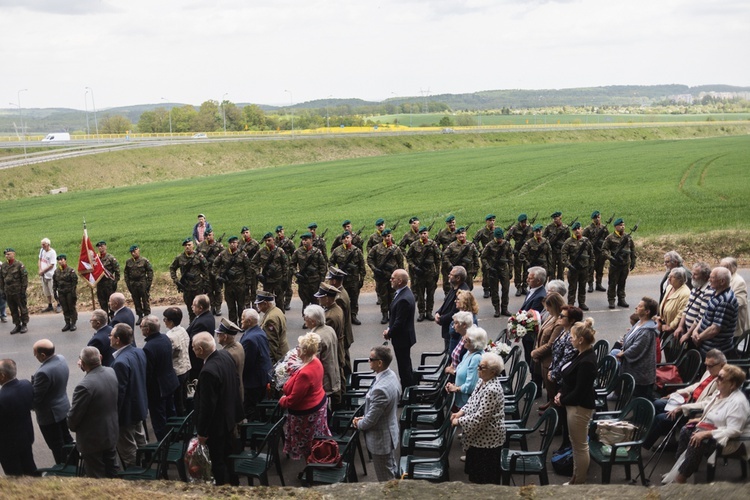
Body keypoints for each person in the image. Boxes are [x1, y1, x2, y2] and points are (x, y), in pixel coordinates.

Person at [668, 364, 750, 484]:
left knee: (698, 441)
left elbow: (734, 430)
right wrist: (699, 418)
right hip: (717, 429)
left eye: (721, 378)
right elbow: (710, 408)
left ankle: (681, 478)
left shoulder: (738, 403)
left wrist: (706, 433)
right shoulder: (720, 392)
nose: (716, 379)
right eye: (718, 376)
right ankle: (679, 469)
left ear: (732, 384)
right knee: (686, 431)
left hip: (734, 440)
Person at [643, 349, 726, 450]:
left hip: (697, 412)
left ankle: (642, 446)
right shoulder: (711, 371)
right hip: (689, 401)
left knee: (662, 418)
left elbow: (708, 404)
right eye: (706, 365)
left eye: (710, 366)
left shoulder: (724, 381)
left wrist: (682, 408)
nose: (707, 369)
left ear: (722, 365)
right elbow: (698, 385)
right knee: (657, 403)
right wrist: (678, 393)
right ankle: (669, 438)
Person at [192, 332, 244, 486]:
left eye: (194, 348)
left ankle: (222, 488)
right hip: (229, 418)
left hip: (216, 426)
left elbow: (207, 406)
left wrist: (202, 432)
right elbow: (234, 382)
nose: (193, 350)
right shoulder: (225, 355)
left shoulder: (208, 371)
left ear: (200, 350)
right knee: (228, 456)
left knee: (217, 461)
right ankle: (234, 484)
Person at [451, 352, 506, 485]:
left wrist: (458, 421)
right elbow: (472, 400)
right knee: (476, 477)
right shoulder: (482, 381)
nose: (478, 369)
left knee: (485, 479)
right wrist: (461, 412)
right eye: (479, 366)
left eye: (482, 367)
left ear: (493, 372)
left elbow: (480, 418)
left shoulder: (492, 390)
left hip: (487, 441)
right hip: (478, 437)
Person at [554, 318, 598, 485]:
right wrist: (560, 393)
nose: (570, 339)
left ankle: (579, 481)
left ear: (580, 339)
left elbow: (580, 391)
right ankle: (575, 477)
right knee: (576, 444)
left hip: (579, 408)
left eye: (572, 336)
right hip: (571, 404)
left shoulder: (587, 361)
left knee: (579, 447)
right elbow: (569, 380)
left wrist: (562, 399)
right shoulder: (580, 353)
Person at [67, 347, 119, 478]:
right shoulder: (110, 371)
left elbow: (73, 419)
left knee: (96, 475)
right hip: (111, 431)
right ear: (100, 358)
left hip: (92, 440)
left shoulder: (84, 386)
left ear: (83, 364)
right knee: (112, 470)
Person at [278, 332, 331, 461]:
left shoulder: (304, 374)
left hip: (306, 414)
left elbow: (293, 401)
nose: (297, 350)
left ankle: (311, 466)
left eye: (299, 348)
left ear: (305, 351)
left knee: (306, 444)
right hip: (319, 404)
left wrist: (282, 401)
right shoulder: (316, 361)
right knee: (314, 440)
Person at [353, 345, 401, 481]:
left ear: (379, 363)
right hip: (389, 432)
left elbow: (370, 421)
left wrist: (359, 423)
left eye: (371, 359)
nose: (368, 361)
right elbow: (379, 411)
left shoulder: (380, 390)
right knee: (391, 469)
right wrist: (365, 417)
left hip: (381, 440)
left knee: (385, 479)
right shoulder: (391, 375)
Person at [110, 324, 149, 469]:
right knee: (140, 438)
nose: (110, 338)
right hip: (139, 405)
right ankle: (145, 463)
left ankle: (134, 472)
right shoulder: (139, 352)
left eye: (111, 335)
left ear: (118, 340)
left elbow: (119, 393)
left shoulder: (120, 362)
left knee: (128, 448)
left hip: (126, 413)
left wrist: (115, 416)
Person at [31, 339, 73, 464]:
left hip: (50, 415)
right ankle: (74, 464)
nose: (35, 357)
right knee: (67, 439)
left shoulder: (43, 373)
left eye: (36, 354)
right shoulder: (61, 359)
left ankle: (63, 469)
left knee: (56, 445)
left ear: (43, 355)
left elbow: (36, 398)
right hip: (63, 407)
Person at [548, 305, 584, 450]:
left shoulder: (571, 336)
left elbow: (567, 358)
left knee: (565, 413)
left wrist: (555, 373)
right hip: (557, 374)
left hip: (565, 379)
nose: (559, 318)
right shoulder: (564, 332)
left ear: (572, 320)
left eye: (563, 316)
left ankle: (567, 446)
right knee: (560, 411)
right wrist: (551, 368)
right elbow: (556, 354)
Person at [140, 315, 179, 441]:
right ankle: (175, 438)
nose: (140, 329)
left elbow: (149, 373)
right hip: (170, 382)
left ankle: (164, 446)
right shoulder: (165, 338)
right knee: (171, 413)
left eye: (141, 326)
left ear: (147, 330)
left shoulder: (149, 347)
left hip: (158, 389)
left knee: (159, 420)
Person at [616, 297, 658, 399]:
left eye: (640, 306)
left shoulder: (647, 331)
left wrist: (624, 353)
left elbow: (638, 347)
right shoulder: (639, 323)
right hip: (634, 370)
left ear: (647, 311)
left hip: (641, 373)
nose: (636, 307)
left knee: (639, 398)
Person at [0, 358, 37, 476]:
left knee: (15, 476)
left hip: (7, 446)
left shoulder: (2, 397)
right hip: (26, 437)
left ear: (2, 376)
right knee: (30, 468)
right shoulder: (27, 385)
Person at [691, 266, 738, 357]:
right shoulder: (715, 292)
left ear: (722, 281)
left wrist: (698, 338)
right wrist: (695, 331)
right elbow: (706, 315)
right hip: (706, 347)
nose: (709, 280)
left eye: (712, 278)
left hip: (716, 351)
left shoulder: (725, 301)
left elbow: (714, 329)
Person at [530, 292, 566, 411]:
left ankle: (553, 408)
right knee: (549, 387)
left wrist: (536, 353)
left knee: (552, 387)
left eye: (548, 307)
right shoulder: (551, 317)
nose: (546, 309)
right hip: (543, 358)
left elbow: (551, 344)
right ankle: (550, 401)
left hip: (549, 359)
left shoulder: (559, 323)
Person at [382, 269, 417, 389]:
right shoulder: (403, 293)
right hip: (403, 338)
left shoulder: (403, 299)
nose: (390, 280)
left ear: (400, 281)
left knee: (404, 368)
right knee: (405, 365)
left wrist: (389, 333)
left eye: (393, 278)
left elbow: (399, 322)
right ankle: (409, 390)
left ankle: (408, 392)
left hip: (402, 339)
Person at [239, 308, 272, 420]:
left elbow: (247, 363)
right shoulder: (259, 332)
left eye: (243, 319)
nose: (240, 321)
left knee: (250, 407)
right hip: (262, 377)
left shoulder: (250, 339)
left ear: (249, 322)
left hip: (253, 381)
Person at [304, 304, 341, 402]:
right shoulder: (329, 329)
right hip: (333, 374)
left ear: (313, 321)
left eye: (306, 319)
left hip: (324, 379)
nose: (304, 321)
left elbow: (312, 361)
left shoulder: (315, 337)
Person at [212, 235, 253, 325]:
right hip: (229, 285)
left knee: (241, 307)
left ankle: (242, 323)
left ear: (237, 243)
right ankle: (233, 324)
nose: (233, 245)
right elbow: (214, 265)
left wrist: (248, 282)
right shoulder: (223, 254)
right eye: (231, 243)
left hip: (240, 284)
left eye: (235, 243)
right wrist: (217, 276)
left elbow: (248, 269)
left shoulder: (242, 254)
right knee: (231, 307)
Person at [368, 228, 405, 324]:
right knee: (383, 296)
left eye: (389, 236)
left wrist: (401, 275)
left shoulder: (396, 249)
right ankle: (385, 314)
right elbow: (369, 258)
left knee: (393, 296)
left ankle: (393, 314)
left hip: (393, 277)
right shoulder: (376, 248)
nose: (387, 238)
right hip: (381, 277)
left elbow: (400, 262)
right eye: (385, 236)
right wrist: (375, 269)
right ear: (382, 237)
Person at [329, 231, 366, 325]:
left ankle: (353, 315)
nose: (346, 239)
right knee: (341, 299)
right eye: (344, 238)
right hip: (341, 280)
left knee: (354, 298)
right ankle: (343, 316)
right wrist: (336, 272)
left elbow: (362, 266)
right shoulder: (337, 251)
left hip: (353, 279)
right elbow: (330, 263)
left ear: (351, 239)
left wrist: (361, 279)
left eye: (348, 238)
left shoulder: (357, 251)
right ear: (341, 240)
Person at [446, 326, 488, 409]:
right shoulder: (469, 352)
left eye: (467, 340)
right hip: (460, 400)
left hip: (466, 404)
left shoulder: (476, 358)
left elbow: (471, 386)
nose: (463, 340)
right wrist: (452, 385)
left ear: (474, 343)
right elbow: (460, 371)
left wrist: (456, 388)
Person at [406, 225, 441, 322]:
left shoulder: (433, 244)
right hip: (419, 274)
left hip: (430, 273)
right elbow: (409, 258)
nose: (423, 235)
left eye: (425, 233)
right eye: (421, 234)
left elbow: (437, 259)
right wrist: (414, 267)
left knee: (430, 294)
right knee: (420, 294)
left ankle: (429, 312)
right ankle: (421, 312)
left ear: (427, 234)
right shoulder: (414, 245)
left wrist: (437, 271)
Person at [170, 238, 209, 322]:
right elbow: (172, 268)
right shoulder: (179, 258)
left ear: (193, 245)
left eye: (189, 245)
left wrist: (205, 283)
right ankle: (193, 325)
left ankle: (201, 324)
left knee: (200, 309)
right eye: (185, 245)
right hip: (186, 288)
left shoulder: (199, 256)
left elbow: (205, 269)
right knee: (191, 310)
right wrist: (176, 280)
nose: (187, 247)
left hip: (198, 286)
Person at [675, 262, 714, 347]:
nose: (692, 277)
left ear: (705, 276)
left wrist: (688, 334)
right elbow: (686, 308)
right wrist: (680, 326)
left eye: (695, 274)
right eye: (692, 273)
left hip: (695, 335)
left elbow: (701, 316)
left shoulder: (708, 292)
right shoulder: (696, 287)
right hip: (688, 330)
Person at [434, 265, 470, 352]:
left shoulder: (462, 292)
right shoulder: (454, 288)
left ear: (458, 278)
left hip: (455, 331)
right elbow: (446, 304)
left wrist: (440, 319)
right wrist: (438, 312)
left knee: (450, 356)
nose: (448, 276)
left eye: (451, 274)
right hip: (448, 329)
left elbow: (455, 313)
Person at [602, 218, 636, 309]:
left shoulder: (628, 237)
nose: (622, 227)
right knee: (613, 283)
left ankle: (621, 299)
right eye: (620, 225)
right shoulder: (610, 238)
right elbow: (604, 250)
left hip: (625, 264)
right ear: (616, 227)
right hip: (615, 264)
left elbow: (632, 249)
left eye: (623, 225)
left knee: (622, 282)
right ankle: (611, 300)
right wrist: (610, 258)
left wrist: (633, 260)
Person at [520, 266, 547, 381]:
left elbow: (531, 316)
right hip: (526, 334)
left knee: (533, 361)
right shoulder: (533, 290)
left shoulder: (540, 295)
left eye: (530, 278)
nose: (527, 280)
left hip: (531, 334)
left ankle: (536, 384)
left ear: (538, 281)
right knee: (528, 358)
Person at [163, 306, 191, 416]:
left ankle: (181, 422)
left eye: (165, 319)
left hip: (177, 371)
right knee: (183, 397)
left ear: (170, 321)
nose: (164, 321)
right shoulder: (182, 330)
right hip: (186, 367)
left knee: (178, 401)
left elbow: (169, 354)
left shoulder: (170, 336)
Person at [292, 232, 327, 316]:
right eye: (303, 240)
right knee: (305, 301)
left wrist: (321, 280)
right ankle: (306, 319)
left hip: (315, 281)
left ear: (311, 240)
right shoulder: (298, 252)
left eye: (306, 240)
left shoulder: (317, 252)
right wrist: (296, 274)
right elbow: (291, 265)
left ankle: (317, 318)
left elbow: (323, 266)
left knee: (316, 301)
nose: (304, 242)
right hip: (303, 281)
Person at [326, 267, 354, 375]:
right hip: (345, 334)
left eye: (329, 279)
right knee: (345, 360)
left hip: (342, 335)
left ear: (334, 281)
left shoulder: (339, 298)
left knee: (342, 362)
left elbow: (339, 321)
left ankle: (347, 384)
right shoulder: (342, 292)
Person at [481, 227, 513, 317]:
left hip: (504, 269)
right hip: (493, 270)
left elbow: (510, 258)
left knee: (506, 289)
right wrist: (488, 267)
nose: (499, 240)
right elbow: (483, 257)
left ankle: (504, 308)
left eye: (501, 238)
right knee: (494, 290)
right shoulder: (489, 245)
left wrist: (510, 270)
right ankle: (496, 309)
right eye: (498, 238)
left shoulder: (506, 244)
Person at [561, 221, 593, 311]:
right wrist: (569, 266)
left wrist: (591, 266)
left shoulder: (586, 241)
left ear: (581, 229)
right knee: (572, 288)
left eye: (578, 229)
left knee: (583, 287)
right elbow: (563, 255)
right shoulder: (568, 242)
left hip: (584, 268)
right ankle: (571, 304)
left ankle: (582, 303)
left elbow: (591, 254)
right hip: (574, 269)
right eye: (575, 229)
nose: (577, 231)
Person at [251, 232, 289, 303]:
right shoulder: (261, 251)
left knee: (280, 301)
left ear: (273, 240)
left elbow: (285, 264)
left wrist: (285, 278)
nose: (267, 242)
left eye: (269, 240)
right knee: (267, 302)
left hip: (278, 280)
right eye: (266, 241)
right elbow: (253, 263)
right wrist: (258, 274)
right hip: (267, 280)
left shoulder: (280, 251)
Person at [186, 294, 216, 379]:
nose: (192, 307)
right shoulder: (207, 315)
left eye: (194, 305)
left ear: (201, 308)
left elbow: (193, 342)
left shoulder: (201, 323)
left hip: (196, 361)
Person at [0, 248, 29, 334]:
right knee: (13, 310)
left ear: (13, 254)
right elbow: (1, 279)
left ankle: (24, 324)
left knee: (22, 308)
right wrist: (2, 291)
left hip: (18, 291)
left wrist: (23, 291)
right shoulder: (4, 266)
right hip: (8, 292)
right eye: (6, 254)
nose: (7, 256)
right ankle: (17, 324)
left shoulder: (19, 265)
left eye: (9, 254)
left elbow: (24, 279)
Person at [215, 317, 245, 399]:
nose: (217, 336)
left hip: (231, 396)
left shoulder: (228, 354)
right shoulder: (238, 346)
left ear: (224, 337)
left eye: (219, 334)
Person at [442, 226, 480, 291]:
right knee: (456, 289)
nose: (461, 235)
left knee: (468, 289)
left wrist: (476, 269)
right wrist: (450, 265)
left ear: (465, 234)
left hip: (468, 271)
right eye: (459, 234)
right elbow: (445, 256)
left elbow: (475, 257)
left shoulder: (471, 245)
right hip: (456, 272)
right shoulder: (452, 245)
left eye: (462, 233)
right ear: (456, 235)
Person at [124, 244, 154, 325]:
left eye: (134, 251)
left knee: (145, 299)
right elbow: (126, 273)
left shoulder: (144, 261)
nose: (133, 253)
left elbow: (150, 271)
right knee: (136, 300)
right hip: (133, 283)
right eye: (131, 252)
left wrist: (148, 283)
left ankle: (147, 316)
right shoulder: (128, 262)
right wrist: (128, 283)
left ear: (138, 250)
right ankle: (140, 316)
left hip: (142, 282)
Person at [657, 267, 691, 337]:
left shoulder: (685, 293)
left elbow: (681, 313)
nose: (669, 279)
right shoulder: (670, 287)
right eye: (669, 276)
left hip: (673, 330)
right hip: (663, 325)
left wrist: (671, 326)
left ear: (680, 280)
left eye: (672, 277)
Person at [198, 228, 225, 316]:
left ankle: (218, 307)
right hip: (206, 272)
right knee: (209, 291)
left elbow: (224, 257)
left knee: (217, 290)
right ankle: (212, 306)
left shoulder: (219, 245)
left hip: (217, 271)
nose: (208, 237)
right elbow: (197, 256)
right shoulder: (201, 245)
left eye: (210, 235)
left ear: (213, 235)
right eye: (206, 235)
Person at [256, 290, 288, 363]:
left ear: (265, 304)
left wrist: (270, 361)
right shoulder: (277, 310)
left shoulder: (271, 319)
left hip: (277, 356)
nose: (258, 306)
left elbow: (272, 343)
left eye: (259, 304)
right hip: (282, 351)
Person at [720, 257, 749, 338]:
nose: (722, 269)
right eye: (721, 266)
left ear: (734, 268)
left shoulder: (739, 282)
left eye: (726, 267)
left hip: (734, 324)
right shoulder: (721, 278)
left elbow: (739, 302)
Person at [582, 211, 609, 293]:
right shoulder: (588, 229)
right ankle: (590, 284)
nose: (597, 219)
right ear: (592, 219)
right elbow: (583, 240)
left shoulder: (604, 228)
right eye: (595, 218)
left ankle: (599, 284)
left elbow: (607, 239)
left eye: (598, 217)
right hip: (592, 252)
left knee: (600, 269)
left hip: (600, 252)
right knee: (591, 268)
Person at [507, 213, 534, 296]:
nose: (523, 223)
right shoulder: (514, 228)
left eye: (525, 221)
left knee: (527, 270)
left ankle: (525, 286)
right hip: (518, 252)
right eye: (522, 222)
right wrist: (512, 250)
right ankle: (518, 287)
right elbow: (506, 240)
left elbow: (535, 238)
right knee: (518, 271)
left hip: (527, 253)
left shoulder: (530, 228)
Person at [53, 254, 78, 331]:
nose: (60, 261)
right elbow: (55, 282)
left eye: (62, 260)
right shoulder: (56, 271)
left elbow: (74, 282)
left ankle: (73, 323)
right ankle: (67, 323)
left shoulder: (70, 270)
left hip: (69, 292)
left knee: (71, 307)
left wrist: (73, 292)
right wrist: (54, 292)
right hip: (61, 292)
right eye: (59, 260)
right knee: (65, 308)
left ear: (65, 260)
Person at [473, 214, 496, 298]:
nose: (492, 222)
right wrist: (480, 250)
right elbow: (475, 240)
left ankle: (493, 289)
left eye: (493, 220)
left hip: (495, 255)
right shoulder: (481, 231)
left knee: (495, 272)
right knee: (486, 272)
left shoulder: (497, 230)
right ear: (486, 221)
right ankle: (486, 289)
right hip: (486, 256)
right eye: (490, 221)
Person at [95, 241, 120, 318]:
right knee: (102, 302)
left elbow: (117, 270)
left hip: (109, 283)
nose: (100, 248)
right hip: (100, 284)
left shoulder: (110, 258)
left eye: (102, 246)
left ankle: (112, 316)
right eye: (99, 247)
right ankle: (105, 318)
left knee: (111, 302)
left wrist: (115, 281)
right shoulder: (96, 259)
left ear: (105, 247)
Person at [543, 211, 570, 280]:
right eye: (554, 218)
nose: (555, 220)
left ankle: (560, 286)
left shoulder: (565, 228)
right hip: (552, 252)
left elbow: (568, 240)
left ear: (560, 217)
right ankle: (552, 286)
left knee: (561, 270)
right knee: (551, 270)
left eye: (557, 218)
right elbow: (543, 238)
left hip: (561, 251)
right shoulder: (549, 227)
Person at [274, 225, 296, 311]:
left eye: (281, 231)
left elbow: (294, 253)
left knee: (288, 285)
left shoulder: (289, 242)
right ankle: (280, 302)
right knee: (279, 286)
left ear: (283, 231)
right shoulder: (275, 242)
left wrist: (292, 265)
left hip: (287, 266)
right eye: (278, 232)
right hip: (277, 267)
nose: (279, 233)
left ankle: (287, 303)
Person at [435, 215, 458, 294]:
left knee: (458, 275)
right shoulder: (442, 233)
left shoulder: (459, 232)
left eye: (453, 222)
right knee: (446, 276)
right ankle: (447, 293)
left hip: (457, 257)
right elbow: (436, 244)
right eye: (450, 223)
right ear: (447, 223)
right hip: (446, 258)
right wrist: (440, 253)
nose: (452, 224)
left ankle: (457, 291)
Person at [242, 226, 262, 308]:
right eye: (244, 233)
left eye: (247, 232)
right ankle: (247, 305)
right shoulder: (240, 244)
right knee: (245, 288)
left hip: (253, 269)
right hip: (243, 270)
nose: (245, 234)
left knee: (254, 288)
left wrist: (258, 269)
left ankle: (254, 304)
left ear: (250, 233)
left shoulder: (255, 243)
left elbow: (260, 257)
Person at [38, 237, 59, 313]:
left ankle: (59, 304)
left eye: (44, 244)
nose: (42, 246)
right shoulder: (41, 251)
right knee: (46, 291)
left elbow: (52, 265)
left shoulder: (52, 252)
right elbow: (40, 259)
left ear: (48, 244)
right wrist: (40, 269)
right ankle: (50, 305)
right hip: (43, 275)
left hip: (50, 275)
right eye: (42, 244)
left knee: (53, 291)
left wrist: (43, 271)